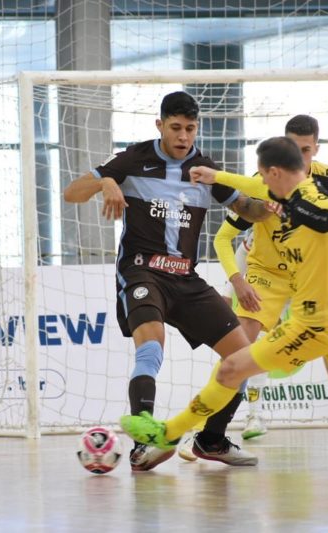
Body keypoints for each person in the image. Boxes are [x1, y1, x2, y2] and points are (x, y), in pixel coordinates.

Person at [120, 136, 328, 469]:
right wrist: (214, 176)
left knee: (232, 366)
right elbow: (253, 188)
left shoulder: (310, 206)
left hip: (314, 322)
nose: (259, 182)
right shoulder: (293, 190)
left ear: (275, 173)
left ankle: (169, 433)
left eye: (263, 175)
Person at [63, 91, 272, 471]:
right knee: (151, 347)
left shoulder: (206, 170)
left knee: (244, 361)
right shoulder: (133, 159)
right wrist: (107, 180)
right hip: (142, 271)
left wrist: (274, 202)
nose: (183, 137)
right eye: (175, 128)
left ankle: (211, 440)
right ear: (159, 125)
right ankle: (144, 443)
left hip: (186, 279)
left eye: (190, 129)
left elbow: (249, 209)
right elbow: (71, 193)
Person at [196, 115, 328, 458]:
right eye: (292, 148)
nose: (299, 156)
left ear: (316, 147)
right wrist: (237, 280)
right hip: (268, 274)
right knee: (240, 344)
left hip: (313, 277)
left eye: (305, 149)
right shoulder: (265, 181)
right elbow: (224, 237)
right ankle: (208, 431)